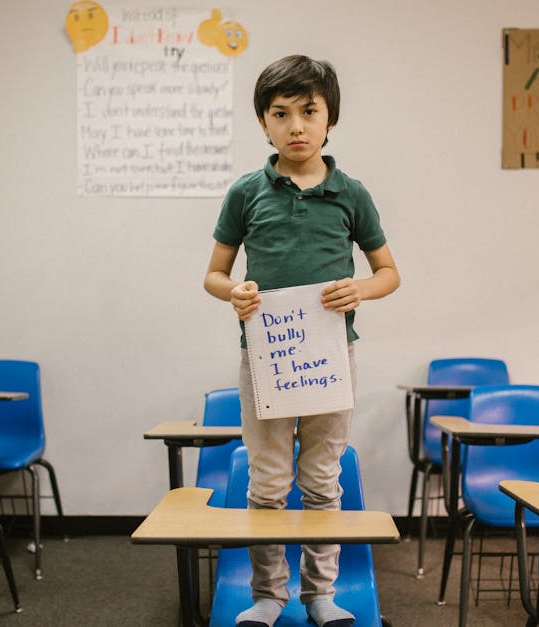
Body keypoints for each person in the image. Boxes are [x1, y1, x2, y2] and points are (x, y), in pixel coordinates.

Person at [203, 54, 400, 627]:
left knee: (321, 479)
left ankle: (321, 595)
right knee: (267, 480)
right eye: (281, 113)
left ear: (329, 119)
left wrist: (360, 290)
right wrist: (233, 291)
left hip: (330, 357)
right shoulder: (246, 193)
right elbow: (213, 275)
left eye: (309, 111)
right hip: (265, 356)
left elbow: (390, 273)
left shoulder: (351, 193)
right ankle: (268, 595)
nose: (296, 126)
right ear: (263, 123)